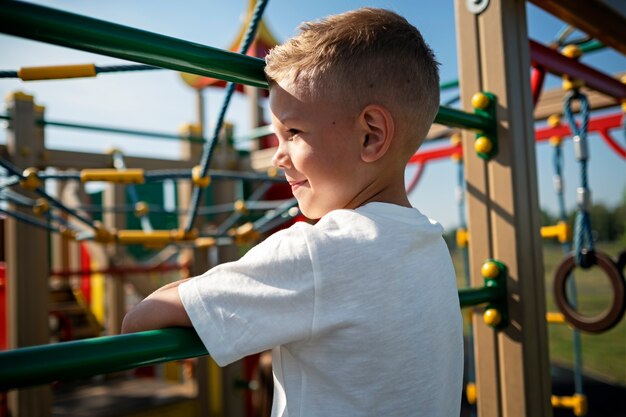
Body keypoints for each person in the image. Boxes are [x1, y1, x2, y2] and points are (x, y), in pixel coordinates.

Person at [122, 7, 463, 416]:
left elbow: (141, 320)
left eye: (294, 132)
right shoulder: (430, 243)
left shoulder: (317, 252)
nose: (276, 158)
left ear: (371, 135)